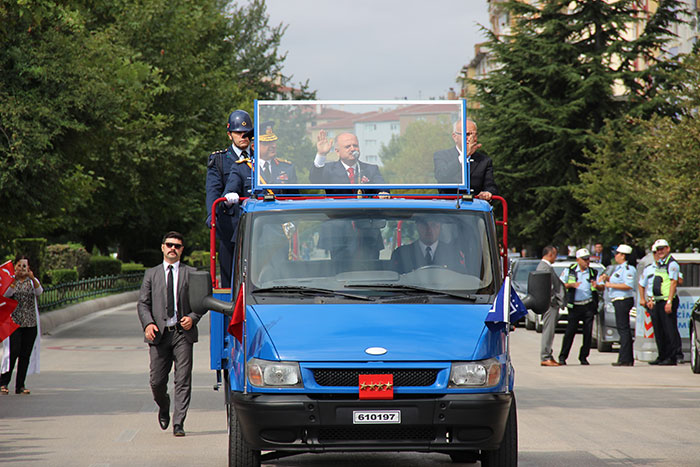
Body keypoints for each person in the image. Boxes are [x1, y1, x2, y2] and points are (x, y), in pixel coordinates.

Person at [137, 232, 207, 437]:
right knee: (157, 381)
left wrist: (193, 317)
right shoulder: (151, 274)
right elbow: (143, 303)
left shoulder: (191, 273)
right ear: (162, 247)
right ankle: (164, 405)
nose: (172, 248)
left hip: (182, 334)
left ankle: (179, 422)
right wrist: (148, 324)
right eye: (169, 245)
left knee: (183, 378)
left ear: (182, 249)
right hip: (159, 334)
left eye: (177, 246)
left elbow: (202, 300)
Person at [205, 110, 253, 288]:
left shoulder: (259, 158)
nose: (243, 136)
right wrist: (212, 216)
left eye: (247, 133)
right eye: (239, 133)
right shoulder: (219, 160)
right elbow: (213, 190)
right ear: (229, 135)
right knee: (229, 279)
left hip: (255, 225)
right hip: (230, 227)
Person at [0, 256, 42, 395]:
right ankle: (4, 383)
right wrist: (14, 280)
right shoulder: (11, 282)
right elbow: (6, 294)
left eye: (25, 266)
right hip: (14, 323)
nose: (22, 269)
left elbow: (39, 292)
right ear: (15, 267)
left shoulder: (31, 282)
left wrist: (33, 278)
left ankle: (20, 385)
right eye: (19, 266)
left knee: (25, 355)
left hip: (30, 323)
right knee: (13, 352)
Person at [558, 248, 604, 365]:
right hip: (575, 306)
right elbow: (561, 284)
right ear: (578, 260)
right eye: (584, 259)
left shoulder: (593, 272)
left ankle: (583, 357)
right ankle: (563, 356)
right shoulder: (570, 271)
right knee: (570, 332)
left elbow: (601, 287)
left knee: (587, 333)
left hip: (588, 305)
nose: (587, 262)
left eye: (588, 259)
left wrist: (597, 286)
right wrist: (571, 284)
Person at [434, 120, 498, 200]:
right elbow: (442, 176)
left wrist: (488, 193)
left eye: (474, 135)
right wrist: (464, 156)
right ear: (455, 137)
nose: (470, 139)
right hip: (449, 207)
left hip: (474, 208)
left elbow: (491, 186)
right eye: (467, 134)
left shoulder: (484, 160)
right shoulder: (442, 156)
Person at [310, 130, 386, 194]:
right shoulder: (329, 169)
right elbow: (315, 180)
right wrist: (321, 154)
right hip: (338, 210)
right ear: (337, 151)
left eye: (355, 146)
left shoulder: (371, 169)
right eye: (347, 146)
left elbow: (383, 189)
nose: (353, 149)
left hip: (365, 210)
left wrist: (382, 193)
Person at [601, 244, 636, 366]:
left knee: (623, 329)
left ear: (623, 256)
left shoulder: (628, 269)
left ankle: (625, 359)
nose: (615, 256)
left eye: (617, 254)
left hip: (623, 300)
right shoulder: (619, 268)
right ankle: (626, 358)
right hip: (618, 300)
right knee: (622, 329)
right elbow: (619, 280)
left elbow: (628, 285)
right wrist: (608, 278)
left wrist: (611, 285)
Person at [390, 218, 464, 274]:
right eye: (425, 225)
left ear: (440, 227)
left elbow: (461, 280)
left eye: (434, 225)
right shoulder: (401, 254)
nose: (429, 230)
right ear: (418, 226)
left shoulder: (453, 253)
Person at [648, 239, 681, 365]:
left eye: (662, 249)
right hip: (658, 301)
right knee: (659, 330)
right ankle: (662, 355)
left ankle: (671, 357)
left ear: (668, 248)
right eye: (658, 249)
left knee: (669, 330)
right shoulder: (661, 263)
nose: (660, 251)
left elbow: (673, 283)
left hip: (667, 301)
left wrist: (669, 301)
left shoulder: (672, 264)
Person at [537, 246, 565, 366]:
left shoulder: (546, 267)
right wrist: (554, 301)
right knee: (548, 331)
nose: (556, 257)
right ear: (550, 254)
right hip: (550, 305)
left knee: (550, 331)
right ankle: (545, 356)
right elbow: (547, 287)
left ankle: (548, 354)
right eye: (555, 255)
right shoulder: (544, 267)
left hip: (550, 303)